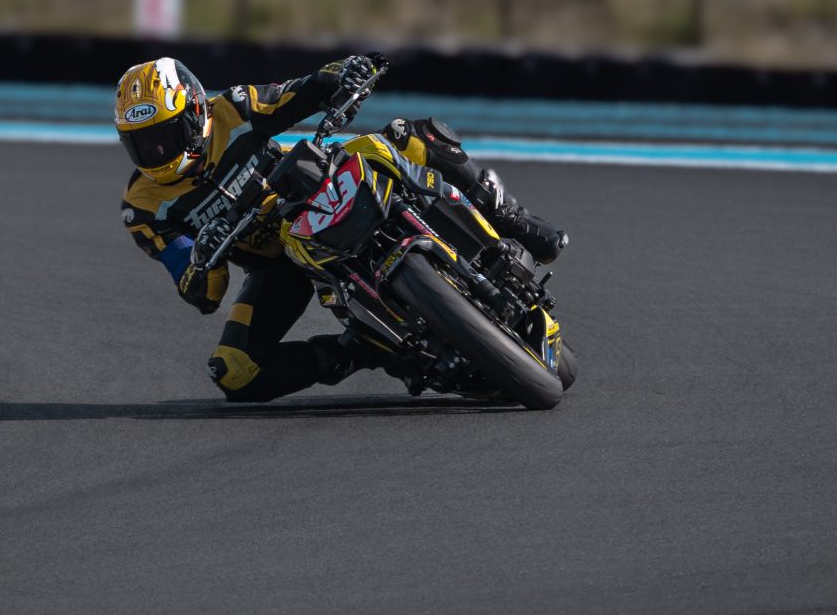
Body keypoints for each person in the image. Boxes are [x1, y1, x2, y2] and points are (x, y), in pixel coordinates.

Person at [115, 55, 568, 404]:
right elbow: (203, 293)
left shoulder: (232, 109)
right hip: (279, 264)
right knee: (233, 371)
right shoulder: (142, 207)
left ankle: (506, 217)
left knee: (400, 136)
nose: (156, 152)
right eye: (141, 143)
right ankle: (362, 349)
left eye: (166, 135)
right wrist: (201, 258)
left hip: (311, 188)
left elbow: (305, 89)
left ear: (195, 111)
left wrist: (347, 72)